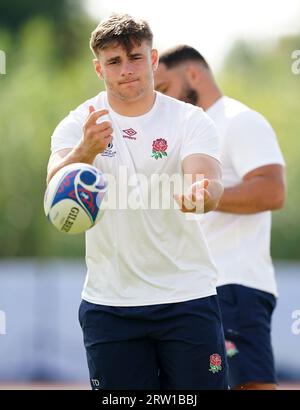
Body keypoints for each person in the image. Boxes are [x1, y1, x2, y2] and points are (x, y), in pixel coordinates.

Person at [47, 15, 228, 390]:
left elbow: (207, 182)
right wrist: (85, 150)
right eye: (114, 62)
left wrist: (199, 194)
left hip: (187, 298)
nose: (126, 69)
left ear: (153, 59)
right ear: (99, 68)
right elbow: (53, 189)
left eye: (135, 57)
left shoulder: (189, 119)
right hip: (109, 304)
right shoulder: (78, 124)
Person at [154, 45, 286, 390]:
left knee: (250, 386)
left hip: (235, 285)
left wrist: (208, 197)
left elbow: (273, 191)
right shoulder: (192, 133)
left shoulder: (239, 120)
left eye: (165, 89)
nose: (162, 101)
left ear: (193, 75)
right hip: (196, 289)